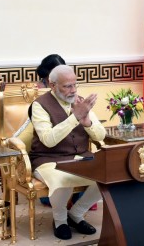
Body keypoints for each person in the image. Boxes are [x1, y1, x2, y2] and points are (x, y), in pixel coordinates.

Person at [28, 65, 105, 240]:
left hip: (80, 156)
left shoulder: (80, 102)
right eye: (67, 86)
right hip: (48, 159)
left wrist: (87, 123)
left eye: (75, 85)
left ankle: (76, 214)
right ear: (52, 85)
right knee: (62, 177)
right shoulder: (39, 105)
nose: (73, 90)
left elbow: (101, 135)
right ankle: (60, 221)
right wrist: (74, 117)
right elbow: (48, 140)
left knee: (109, 173)